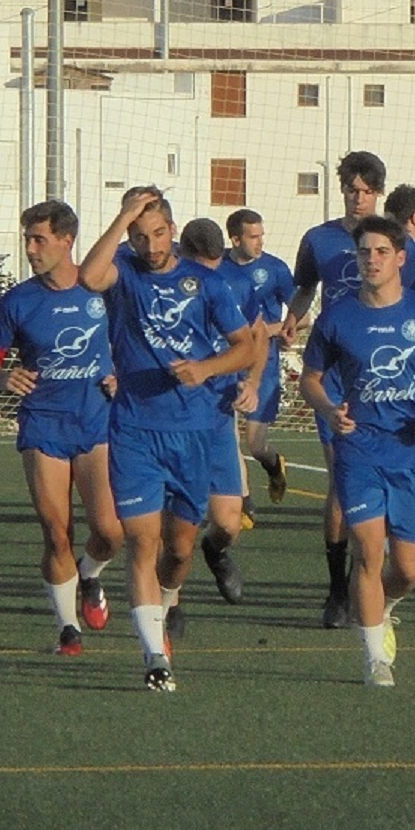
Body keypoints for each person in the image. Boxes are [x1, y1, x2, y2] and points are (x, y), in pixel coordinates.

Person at [80, 187, 258, 690]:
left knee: (178, 549)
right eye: (140, 235)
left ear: (173, 232)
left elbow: (244, 347)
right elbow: (89, 276)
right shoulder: (124, 272)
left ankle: (170, 596)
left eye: (158, 233)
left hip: (195, 432)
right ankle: (155, 657)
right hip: (135, 429)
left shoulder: (205, 284)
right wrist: (123, 215)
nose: (150, 244)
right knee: (142, 541)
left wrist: (205, 369)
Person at [300, 215, 415, 686]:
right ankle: (377, 660)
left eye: (379, 252)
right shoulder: (337, 317)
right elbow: (311, 379)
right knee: (369, 553)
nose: (370, 260)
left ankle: (384, 605)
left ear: (399, 258)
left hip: (411, 451)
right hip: (358, 449)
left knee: (408, 569)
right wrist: (331, 410)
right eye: (363, 252)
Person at [285, 150, 415, 628]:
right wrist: (291, 319)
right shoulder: (319, 240)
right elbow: (304, 288)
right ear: (342, 189)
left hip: (388, 381)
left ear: (379, 193)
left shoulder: (401, 245)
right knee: (340, 488)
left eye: (367, 190)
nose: (359, 196)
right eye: (352, 188)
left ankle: (371, 583)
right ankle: (338, 588)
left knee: (377, 498)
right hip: (338, 375)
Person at [0, 201, 123, 657]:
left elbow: (134, 341)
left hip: (96, 420)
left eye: (39, 239)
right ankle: (68, 630)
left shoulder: (101, 289)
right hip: (43, 423)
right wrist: (2, 376)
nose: (30, 249)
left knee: (110, 531)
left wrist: (122, 372)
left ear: (67, 241)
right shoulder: (18, 300)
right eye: (27, 239)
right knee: (55, 529)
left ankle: (91, 577)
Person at [181, 216, 257, 606]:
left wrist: (252, 383)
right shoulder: (163, 288)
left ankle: (216, 552)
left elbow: (254, 337)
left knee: (228, 520)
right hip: (168, 418)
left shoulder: (231, 285)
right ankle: (168, 604)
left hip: (216, 415)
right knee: (173, 529)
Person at [225, 208, 297, 508]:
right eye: (253, 237)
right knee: (229, 438)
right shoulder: (218, 269)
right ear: (234, 239)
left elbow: (299, 314)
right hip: (228, 360)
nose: (260, 242)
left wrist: (271, 329)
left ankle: (273, 463)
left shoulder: (275, 269)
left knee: (255, 444)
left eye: (261, 235)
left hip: (263, 363)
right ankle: (244, 501)